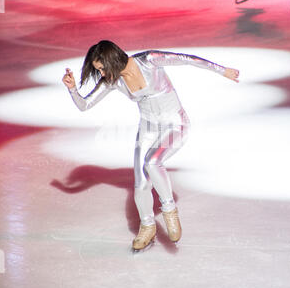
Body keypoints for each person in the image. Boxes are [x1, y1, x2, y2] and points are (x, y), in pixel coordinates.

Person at [62, 40, 239, 251]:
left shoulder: (149, 60)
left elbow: (187, 60)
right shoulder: (113, 81)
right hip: (147, 130)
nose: (100, 74)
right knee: (140, 184)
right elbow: (85, 105)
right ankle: (147, 226)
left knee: (153, 162)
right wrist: (72, 89)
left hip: (175, 124)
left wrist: (222, 71)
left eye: (101, 68)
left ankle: (169, 210)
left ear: (112, 60)